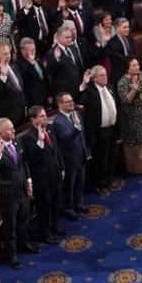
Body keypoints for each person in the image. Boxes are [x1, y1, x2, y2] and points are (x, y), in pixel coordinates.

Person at [0, 117, 32, 269]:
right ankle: (12, 255)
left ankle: (24, 244)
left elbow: (23, 164)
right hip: (8, 194)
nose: (13, 130)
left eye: (13, 127)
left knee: (24, 220)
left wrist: (29, 181)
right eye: (9, 129)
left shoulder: (16, 141)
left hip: (22, 189)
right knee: (10, 227)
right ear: (0, 133)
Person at [18, 106, 63, 244]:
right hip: (41, 179)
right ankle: (45, 234)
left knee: (55, 203)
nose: (45, 118)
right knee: (44, 208)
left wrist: (61, 167)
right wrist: (40, 142)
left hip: (54, 173)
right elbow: (32, 159)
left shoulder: (49, 128)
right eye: (42, 116)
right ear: (33, 119)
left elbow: (56, 150)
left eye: (45, 115)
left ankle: (55, 226)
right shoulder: (28, 138)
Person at [81, 65, 119, 196]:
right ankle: (101, 184)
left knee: (112, 156)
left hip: (112, 128)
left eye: (105, 74)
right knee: (100, 160)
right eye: (102, 75)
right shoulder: (90, 91)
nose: (105, 77)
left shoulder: (110, 87)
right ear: (94, 78)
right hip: (99, 132)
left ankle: (110, 180)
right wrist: (84, 83)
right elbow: (79, 99)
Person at [51, 91, 90, 220]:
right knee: (69, 186)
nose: (72, 103)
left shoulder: (76, 113)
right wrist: (77, 126)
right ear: (60, 104)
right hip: (69, 159)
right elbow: (67, 138)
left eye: (72, 100)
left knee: (80, 182)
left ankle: (79, 204)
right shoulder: (58, 122)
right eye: (68, 102)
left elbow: (82, 136)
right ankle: (69, 209)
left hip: (81, 155)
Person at [116, 58, 142, 174]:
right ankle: (135, 169)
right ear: (127, 68)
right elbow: (125, 101)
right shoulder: (122, 82)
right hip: (132, 117)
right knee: (135, 142)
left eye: (138, 64)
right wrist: (133, 90)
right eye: (133, 66)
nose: (137, 67)